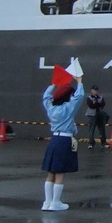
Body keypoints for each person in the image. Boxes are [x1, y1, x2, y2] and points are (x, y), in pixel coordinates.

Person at [40, 71, 84, 211]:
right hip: (65, 139)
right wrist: (80, 82)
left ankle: (47, 202)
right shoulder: (68, 107)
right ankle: (56, 202)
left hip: (54, 139)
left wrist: (54, 84)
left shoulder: (51, 107)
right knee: (60, 172)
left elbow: (46, 97)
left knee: (51, 172)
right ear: (67, 96)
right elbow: (80, 96)